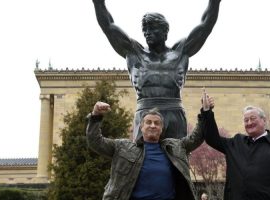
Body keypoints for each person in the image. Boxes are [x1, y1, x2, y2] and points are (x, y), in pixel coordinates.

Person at [91, 0, 221, 141]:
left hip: (174, 114)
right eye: (145, 29)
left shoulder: (180, 52)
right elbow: (108, 27)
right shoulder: (135, 53)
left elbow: (206, 26)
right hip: (144, 112)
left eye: (152, 28)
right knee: (142, 158)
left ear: (165, 31)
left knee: (177, 158)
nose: (147, 33)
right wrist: (98, 3)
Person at [86, 90, 214, 200]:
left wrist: (205, 111)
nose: (152, 125)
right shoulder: (122, 147)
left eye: (157, 123)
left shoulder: (176, 147)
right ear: (141, 127)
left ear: (161, 128)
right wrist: (96, 116)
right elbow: (95, 142)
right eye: (148, 122)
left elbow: (197, 137)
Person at [203, 105, 270, 200]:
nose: (249, 123)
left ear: (264, 120)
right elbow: (212, 138)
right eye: (246, 120)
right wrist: (207, 112)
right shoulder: (236, 143)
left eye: (253, 118)